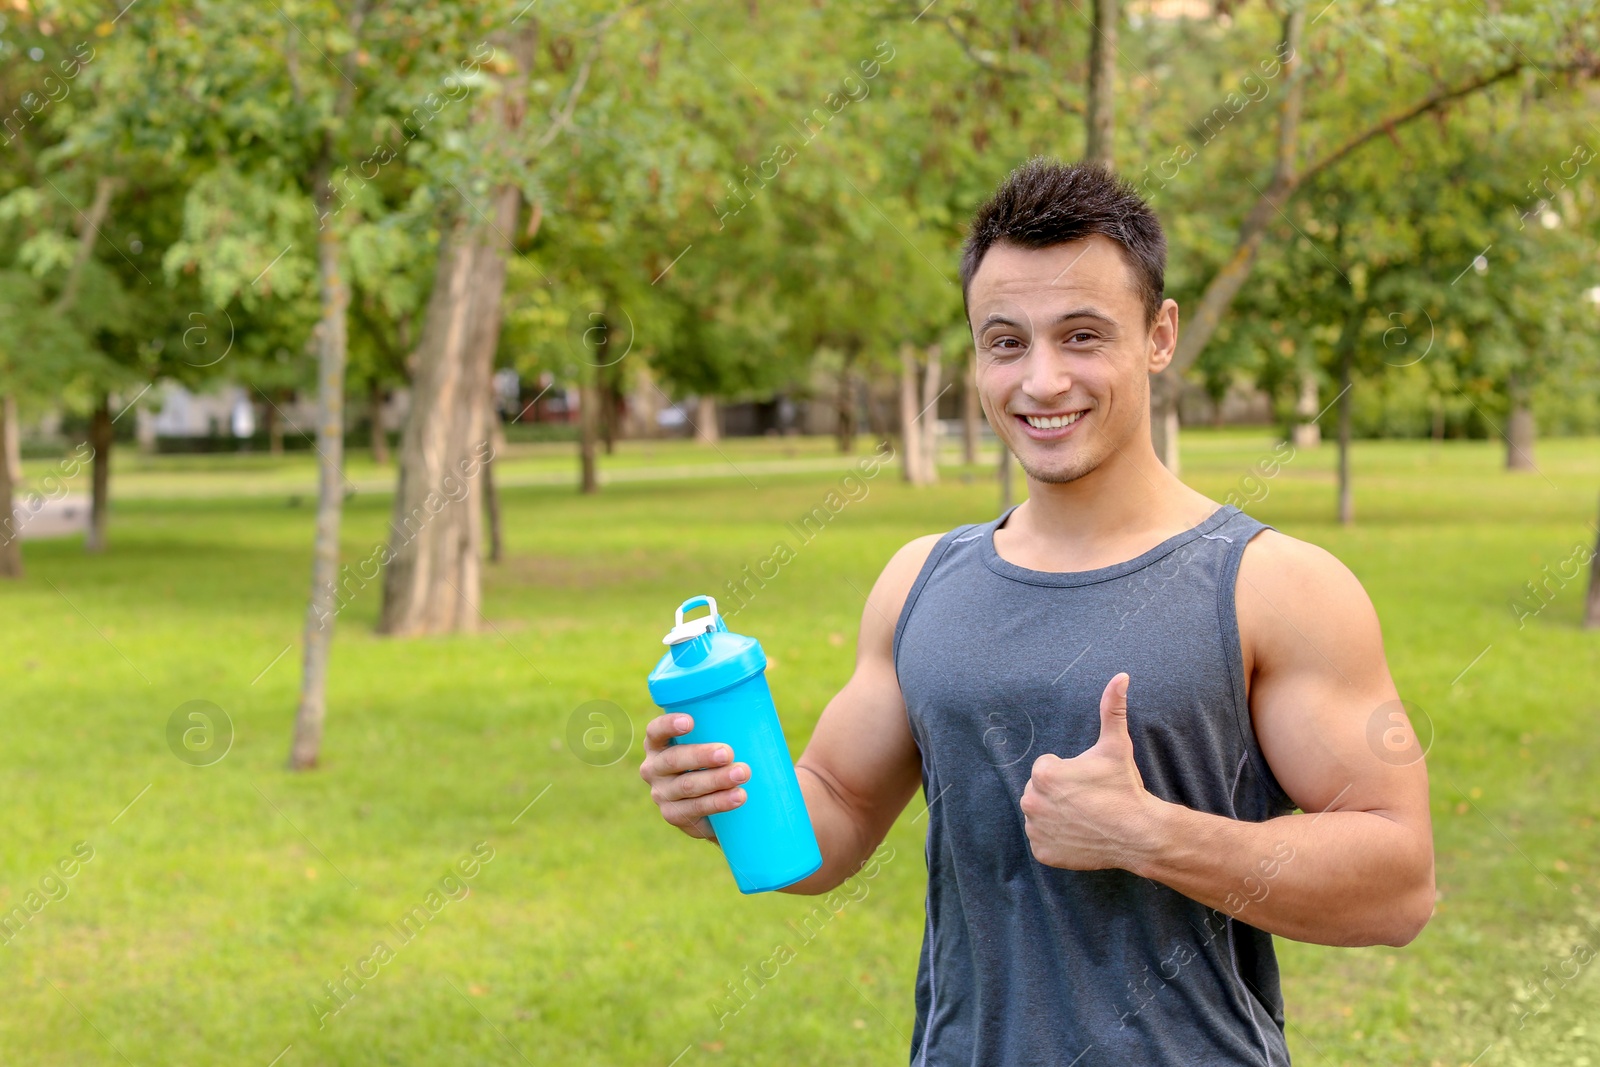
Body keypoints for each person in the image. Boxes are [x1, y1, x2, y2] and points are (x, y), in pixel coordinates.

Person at [638, 157, 1434, 1065]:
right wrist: (730, 794)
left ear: (1160, 334)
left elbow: (1398, 882)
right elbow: (838, 814)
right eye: (1006, 342)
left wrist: (1151, 835)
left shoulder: (1279, 586)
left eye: (1083, 335)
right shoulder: (918, 581)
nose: (1042, 381)